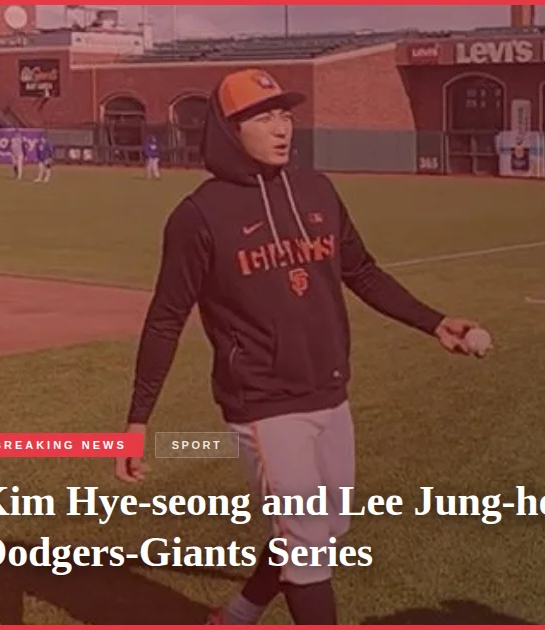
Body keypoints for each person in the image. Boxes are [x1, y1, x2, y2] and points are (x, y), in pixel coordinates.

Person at [114, 68, 483, 626]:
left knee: (319, 532)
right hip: (263, 404)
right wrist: (138, 420)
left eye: (285, 114)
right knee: (308, 542)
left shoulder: (316, 188)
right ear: (229, 129)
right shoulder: (199, 216)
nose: (282, 127)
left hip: (329, 392)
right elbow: (166, 319)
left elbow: (362, 271)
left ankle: (237, 614)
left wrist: (433, 323)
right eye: (263, 117)